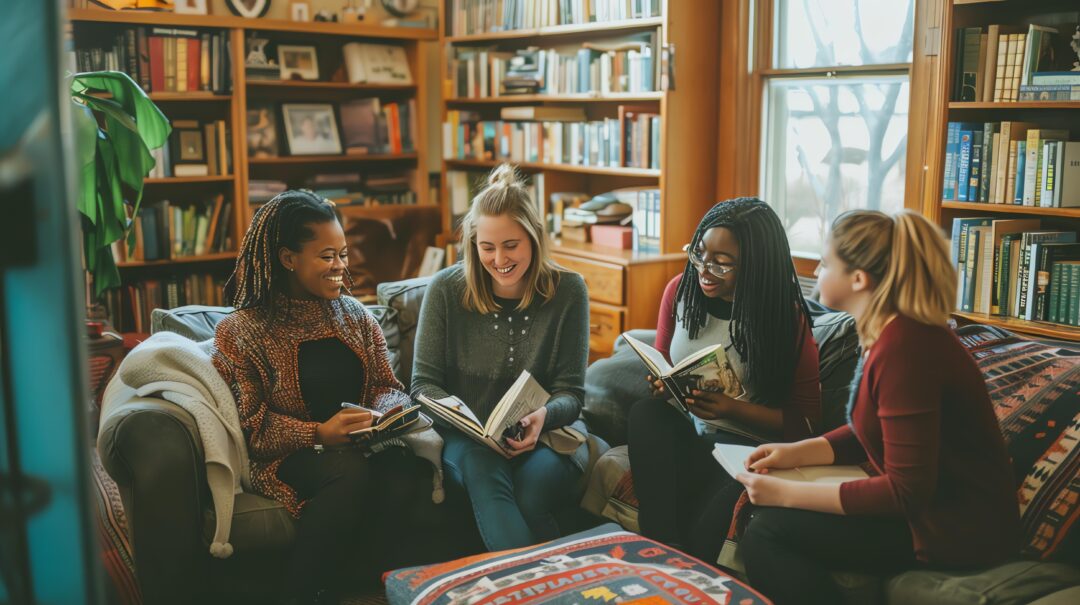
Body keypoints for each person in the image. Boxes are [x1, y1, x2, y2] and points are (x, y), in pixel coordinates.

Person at [735, 209, 1019, 605]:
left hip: (952, 529)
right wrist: (793, 453)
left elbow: (906, 493)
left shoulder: (907, 348)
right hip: (926, 513)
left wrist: (784, 493)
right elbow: (874, 430)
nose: (816, 271)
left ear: (858, 279)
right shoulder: (889, 334)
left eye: (826, 263)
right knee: (756, 514)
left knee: (768, 532)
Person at [212, 190, 431, 603]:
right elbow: (252, 426)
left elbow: (386, 387)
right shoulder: (242, 331)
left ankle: (360, 587)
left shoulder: (356, 316)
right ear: (288, 258)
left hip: (359, 446)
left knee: (402, 468)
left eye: (343, 254)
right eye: (327, 256)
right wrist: (319, 433)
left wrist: (383, 416)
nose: (340, 267)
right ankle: (303, 594)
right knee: (347, 470)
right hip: (285, 457)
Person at [627, 197, 821, 563]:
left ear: (755, 265)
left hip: (747, 450)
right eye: (699, 253)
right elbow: (663, 361)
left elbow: (808, 422)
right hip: (691, 434)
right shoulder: (680, 291)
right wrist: (662, 386)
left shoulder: (784, 318)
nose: (704, 270)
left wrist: (733, 409)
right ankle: (660, 553)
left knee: (703, 533)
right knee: (645, 414)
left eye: (722, 263)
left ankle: (678, 564)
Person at [410, 164, 590, 552]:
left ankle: (541, 579)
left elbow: (572, 393)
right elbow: (423, 386)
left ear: (534, 238)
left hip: (546, 434)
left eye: (511, 245)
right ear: (473, 243)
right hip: (468, 439)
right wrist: (468, 422)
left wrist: (542, 418)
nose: (499, 259)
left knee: (532, 492)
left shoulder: (569, 291)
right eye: (487, 247)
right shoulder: (445, 290)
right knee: (481, 468)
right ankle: (545, 580)